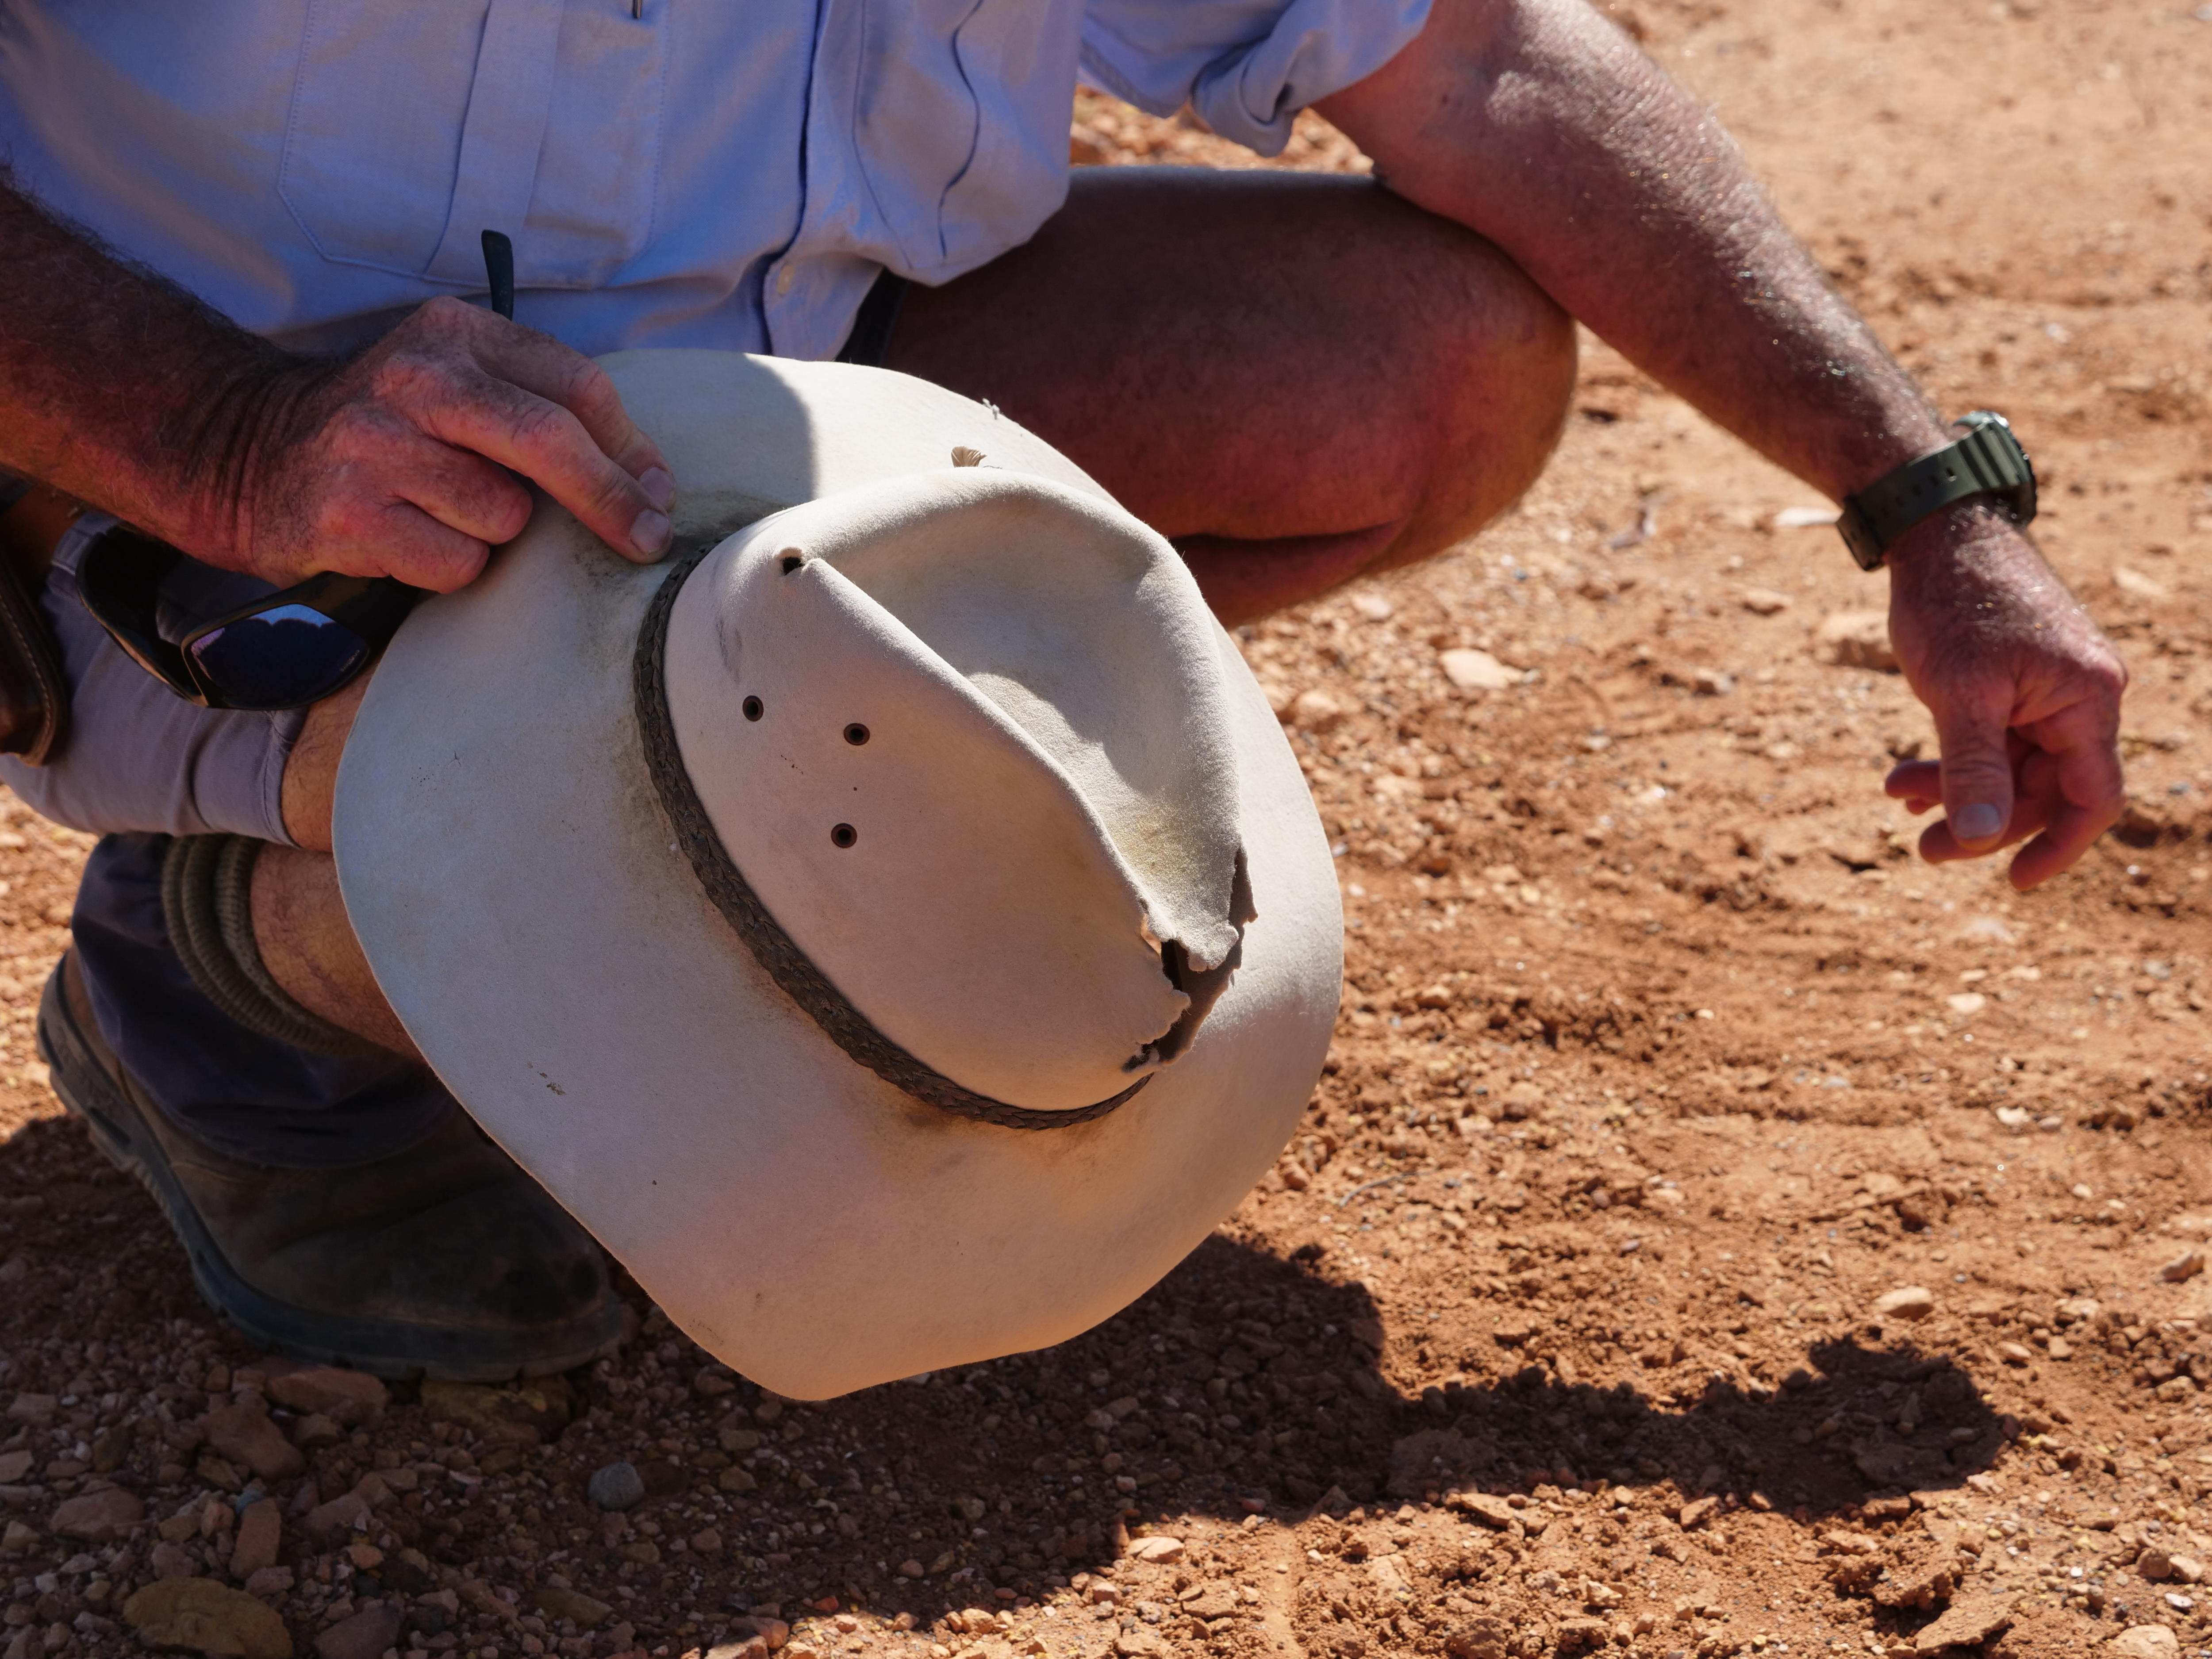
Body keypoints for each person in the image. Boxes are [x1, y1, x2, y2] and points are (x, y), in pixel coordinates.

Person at [0, 0, 2127, 1376]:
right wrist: (215, 433)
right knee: (606, 789)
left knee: (1416, 372)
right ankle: (244, 977)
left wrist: (1924, 500)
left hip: (722, 463)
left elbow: (1481, 68)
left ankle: (625, 856)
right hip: (153, 489)